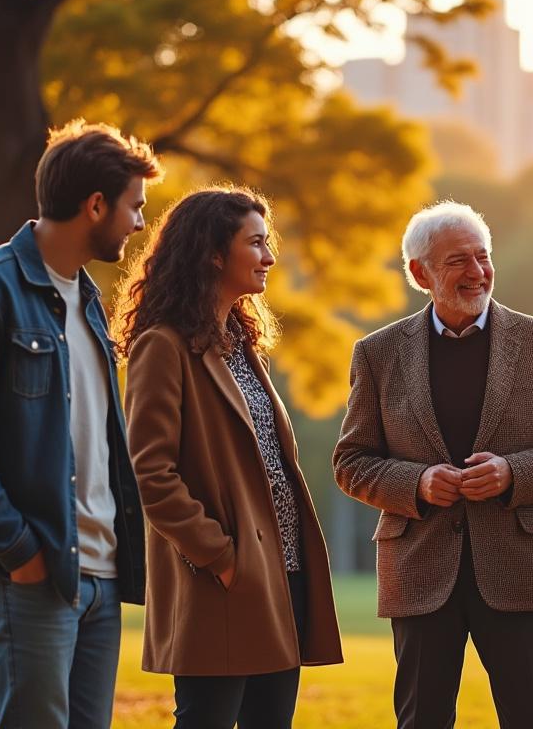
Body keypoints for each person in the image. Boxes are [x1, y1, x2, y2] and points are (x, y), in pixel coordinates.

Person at [0, 120, 160, 727]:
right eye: (134, 207)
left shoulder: (89, 301)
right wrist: (17, 550)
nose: (139, 223)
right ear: (95, 204)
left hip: (100, 576)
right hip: (31, 574)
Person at [333, 200, 533, 729]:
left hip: (517, 570)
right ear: (420, 273)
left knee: (532, 718)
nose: (477, 271)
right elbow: (351, 461)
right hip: (418, 573)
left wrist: (512, 474)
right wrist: (417, 482)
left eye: (483, 256)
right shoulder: (377, 353)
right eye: (458, 260)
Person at [116, 187, 343, 729]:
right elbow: (150, 473)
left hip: (280, 575)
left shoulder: (241, 345)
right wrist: (219, 557)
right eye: (256, 243)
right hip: (222, 581)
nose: (269, 257)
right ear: (215, 253)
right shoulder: (163, 346)